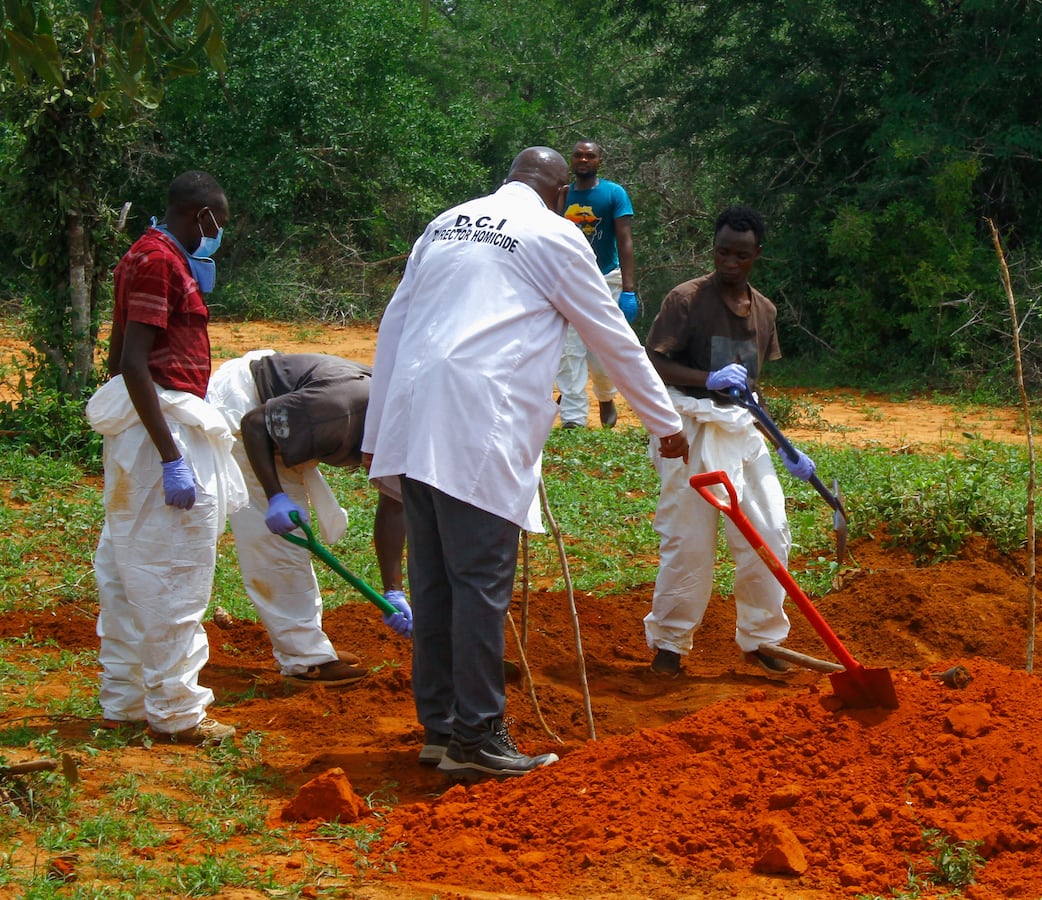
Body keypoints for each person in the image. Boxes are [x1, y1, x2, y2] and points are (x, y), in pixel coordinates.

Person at [363, 146, 689, 778]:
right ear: (558, 190)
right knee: (481, 586)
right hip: (476, 422)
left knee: (433, 584)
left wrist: (380, 433)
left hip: (413, 413)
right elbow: (609, 334)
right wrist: (666, 422)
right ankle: (478, 737)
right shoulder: (553, 233)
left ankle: (440, 729)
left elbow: (394, 326)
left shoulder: (445, 223)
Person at [87, 171, 248, 744]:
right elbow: (134, 361)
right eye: (219, 225)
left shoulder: (142, 255)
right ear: (202, 216)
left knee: (128, 566)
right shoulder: (159, 261)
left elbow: (117, 355)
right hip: (163, 427)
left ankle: (125, 700)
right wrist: (168, 455)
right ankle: (177, 714)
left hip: (144, 424)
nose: (218, 235)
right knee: (173, 571)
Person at [641, 205, 816, 677]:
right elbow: (653, 363)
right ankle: (670, 646)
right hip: (691, 427)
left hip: (741, 429)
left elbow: (752, 391)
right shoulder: (686, 299)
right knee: (689, 539)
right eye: (723, 252)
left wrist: (784, 444)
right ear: (713, 249)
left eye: (741, 254)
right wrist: (707, 378)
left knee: (770, 531)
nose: (730, 262)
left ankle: (762, 639)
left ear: (757, 254)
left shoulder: (765, 311)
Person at [208, 350, 414, 688]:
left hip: (291, 415)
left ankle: (307, 646)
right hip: (244, 408)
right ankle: (306, 661)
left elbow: (394, 504)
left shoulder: (402, 428)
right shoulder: (342, 409)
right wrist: (274, 495)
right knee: (276, 547)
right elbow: (255, 425)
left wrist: (394, 592)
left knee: (287, 548)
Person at [555, 139, 638, 429]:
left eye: (589, 156)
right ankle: (574, 419)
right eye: (578, 155)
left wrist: (629, 289)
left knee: (601, 352)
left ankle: (605, 396)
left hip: (605, 279)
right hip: (568, 280)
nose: (583, 160)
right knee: (568, 351)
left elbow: (624, 239)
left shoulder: (614, 193)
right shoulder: (561, 195)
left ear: (599, 161)